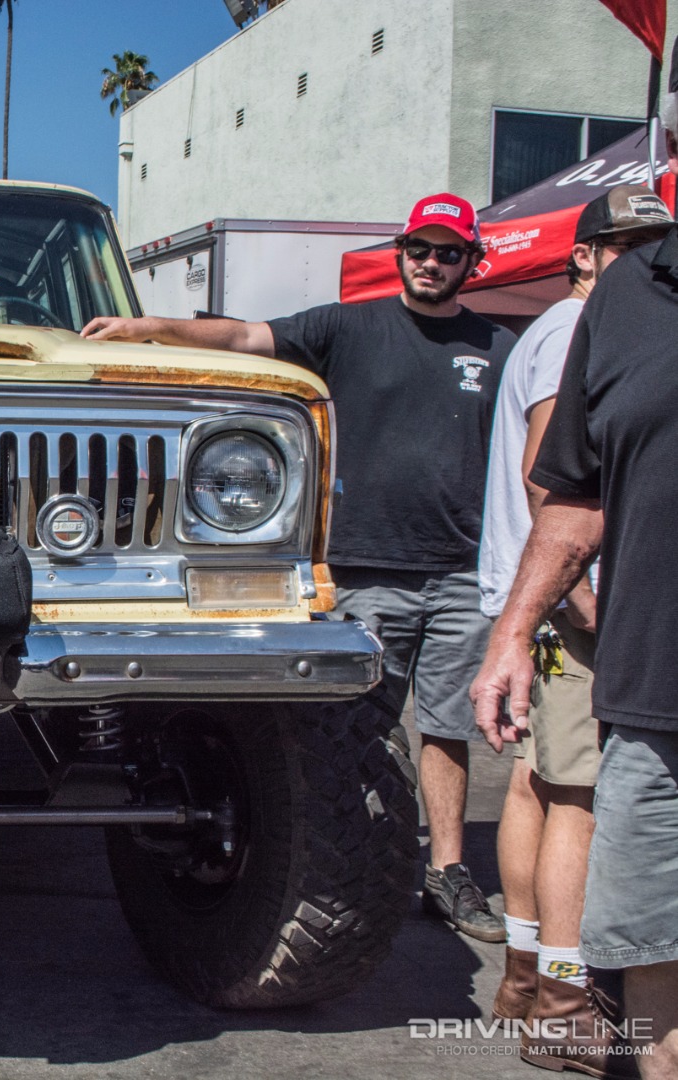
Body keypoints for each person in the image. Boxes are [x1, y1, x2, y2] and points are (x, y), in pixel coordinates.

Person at [83, 193, 516, 942]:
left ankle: (448, 871)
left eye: (449, 252)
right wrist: (151, 327)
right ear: (402, 252)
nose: (432, 263)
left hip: (460, 570)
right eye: (420, 248)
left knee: (447, 729)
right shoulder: (349, 326)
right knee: (351, 725)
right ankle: (352, 857)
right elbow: (246, 335)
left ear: (471, 262)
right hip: (362, 566)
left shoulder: (498, 347)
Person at [472, 70, 678, 1074]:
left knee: (550, 793)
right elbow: (570, 488)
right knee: (643, 943)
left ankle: (544, 993)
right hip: (645, 687)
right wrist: (523, 627)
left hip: (615, 660)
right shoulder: (627, 301)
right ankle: (558, 1000)